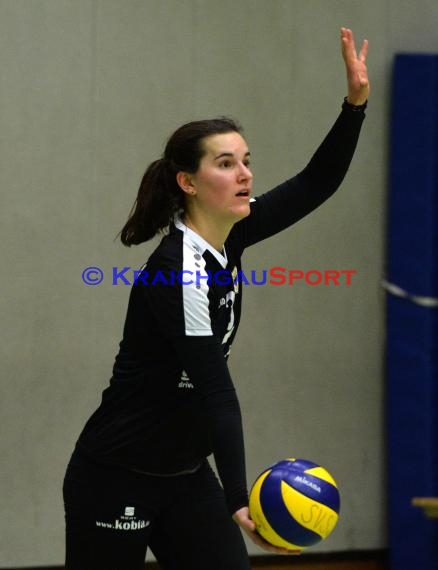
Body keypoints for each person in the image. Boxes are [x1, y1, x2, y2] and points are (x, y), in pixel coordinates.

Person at [63, 27, 369, 570]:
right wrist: (238, 499)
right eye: (225, 164)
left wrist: (354, 105)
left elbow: (318, 182)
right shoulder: (178, 272)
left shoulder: (233, 235)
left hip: (184, 473)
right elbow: (218, 394)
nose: (245, 173)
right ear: (188, 182)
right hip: (117, 473)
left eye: (246, 159)